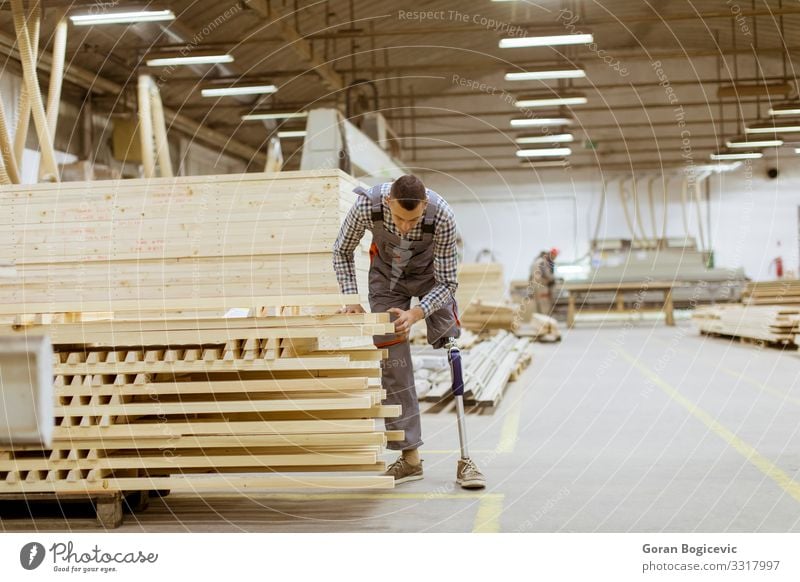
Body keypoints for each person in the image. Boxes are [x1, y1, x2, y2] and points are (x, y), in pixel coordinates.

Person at [332, 174, 486, 489]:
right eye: (400, 218)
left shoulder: (442, 215)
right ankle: (410, 459)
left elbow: (447, 283)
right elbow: (341, 251)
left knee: (451, 347)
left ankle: (466, 458)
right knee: (393, 363)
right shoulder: (367, 206)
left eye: (412, 220)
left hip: (433, 278)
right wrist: (351, 299)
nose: (405, 227)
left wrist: (418, 313)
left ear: (425, 206)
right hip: (387, 279)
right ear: (388, 202)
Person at [529, 248, 559, 315]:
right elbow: (547, 275)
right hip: (542, 286)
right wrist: (554, 279)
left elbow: (530, 276)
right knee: (545, 307)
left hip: (535, 286)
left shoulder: (534, 262)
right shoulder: (543, 262)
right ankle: (545, 322)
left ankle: (541, 321)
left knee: (538, 307)